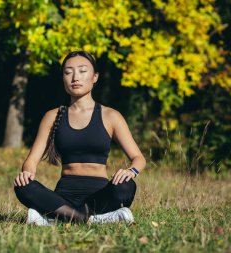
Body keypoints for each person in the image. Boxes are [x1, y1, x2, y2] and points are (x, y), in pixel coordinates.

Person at [14, 50, 146, 225]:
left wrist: (131, 171)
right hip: (62, 196)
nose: (75, 77)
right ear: (63, 79)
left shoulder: (111, 116)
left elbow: (139, 158)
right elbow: (31, 161)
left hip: (100, 195)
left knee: (126, 186)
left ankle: (58, 218)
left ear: (95, 77)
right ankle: (91, 218)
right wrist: (27, 173)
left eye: (82, 71)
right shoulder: (52, 116)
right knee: (22, 186)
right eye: (68, 72)